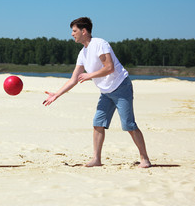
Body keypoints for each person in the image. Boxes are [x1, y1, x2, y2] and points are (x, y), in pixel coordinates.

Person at [43, 17, 151, 168]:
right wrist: (56, 94)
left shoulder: (99, 44)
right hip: (106, 92)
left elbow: (109, 67)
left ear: (84, 31)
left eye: (74, 31)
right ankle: (96, 159)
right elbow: (74, 79)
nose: (72, 34)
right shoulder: (83, 53)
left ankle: (144, 158)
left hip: (121, 87)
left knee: (128, 124)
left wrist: (89, 76)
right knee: (98, 123)